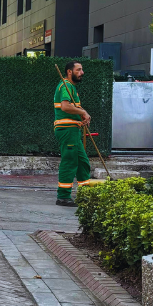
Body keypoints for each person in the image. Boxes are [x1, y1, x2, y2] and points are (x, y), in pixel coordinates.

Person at [54, 60, 93, 207]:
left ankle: (85, 195)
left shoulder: (70, 87)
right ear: (69, 72)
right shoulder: (66, 86)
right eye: (79, 70)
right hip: (67, 130)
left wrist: (81, 115)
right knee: (70, 161)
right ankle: (63, 196)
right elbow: (65, 106)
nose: (82, 73)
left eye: (81, 70)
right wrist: (82, 112)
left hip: (73, 129)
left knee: (83, 162)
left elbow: (71, 108)